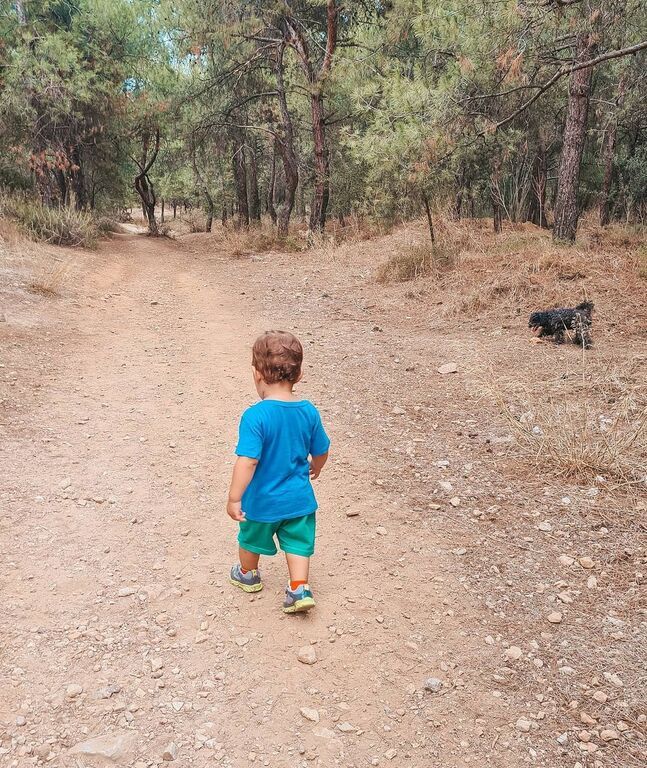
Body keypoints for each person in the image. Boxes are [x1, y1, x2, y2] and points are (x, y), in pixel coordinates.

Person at [227, 330, 330, 613]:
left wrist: (235, 497)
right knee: (298, 543)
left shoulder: (256, 416)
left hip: (261, 502)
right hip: (299, 500)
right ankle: (299, 588)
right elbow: (321, 449)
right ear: (299, 374)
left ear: (257, 373)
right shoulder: (308, 411)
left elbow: (247, 461)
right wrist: (316, 467)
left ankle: (248, 575)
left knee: (250, 538)